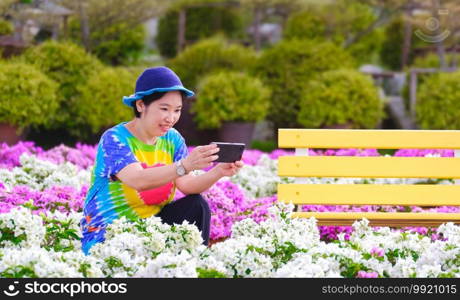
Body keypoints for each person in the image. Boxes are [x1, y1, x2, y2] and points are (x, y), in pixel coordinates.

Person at [80, 66, 244, 255]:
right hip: (108, 235)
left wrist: (218, 172)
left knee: (196, 205)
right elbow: (138, 180)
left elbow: (187, 184)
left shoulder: (172, 139)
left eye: (177, 110)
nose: (171, 118)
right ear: (141, 105)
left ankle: (197, 265)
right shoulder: (115, 138)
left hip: (152, 230)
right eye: (164, 109)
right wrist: (185, 165)